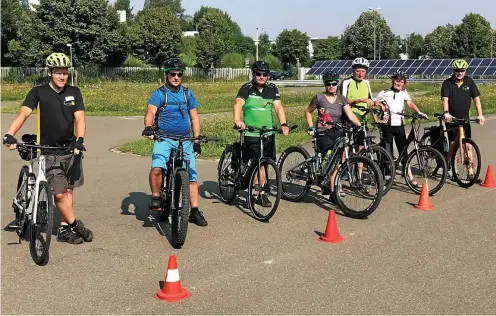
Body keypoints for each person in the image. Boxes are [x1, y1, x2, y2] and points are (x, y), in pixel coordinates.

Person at [2, 52, 93, 244]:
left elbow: (80, 118)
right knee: (59, 193)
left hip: (70, 150)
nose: (62, 77)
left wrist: (80, 139)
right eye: (57, 72)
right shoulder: (38, 92)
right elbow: (23, 114)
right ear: (49, 72)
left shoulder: (74, 92)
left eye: (65, 73)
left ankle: (64, 229)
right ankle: (76, 225)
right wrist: (10, 134)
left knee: (68, 191)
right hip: (48, 152)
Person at [142, 57, 207, 226]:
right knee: (157, 168)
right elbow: (150, 112)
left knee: (191, 175)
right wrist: (148, 127)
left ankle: (194, 210)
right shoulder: (159, 94)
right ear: (166, 75)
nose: (176, 77)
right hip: (164, 138)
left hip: (185, 139)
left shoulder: (187, 94)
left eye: (179, 74)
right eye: (173, 74)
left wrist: (197, 140)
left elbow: (194, 118)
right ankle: (156, 197)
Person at [233, 61, 289, 207]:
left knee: (264, 163)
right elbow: (238, 104)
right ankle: (256, 192)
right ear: (254, 74)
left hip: (267, 132)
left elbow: (278, 107)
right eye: (259, 74)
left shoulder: (272, 88)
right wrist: (238, 120)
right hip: (251, 132)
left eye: (265, 74)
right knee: (257, 164)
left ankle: (260, 193)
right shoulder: (247, 88)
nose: (262, 77)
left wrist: (283, 124)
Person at [306, 71, 361, 201]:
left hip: (338, 131)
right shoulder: (319, 98)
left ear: (337, 84)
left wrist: (359, 124)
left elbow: (350, 114)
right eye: (328, 84)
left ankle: (331, 187)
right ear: (325, 85)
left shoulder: (342, 99)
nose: (331, 86)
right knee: (331, 156)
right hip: (323, 132)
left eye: (334, 84)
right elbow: (308, 112)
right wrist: (310, 127)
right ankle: (329, 185)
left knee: (337, 160)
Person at [374, 71, 428, 187]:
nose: (399, 83)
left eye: (401, 81)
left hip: (399, 125)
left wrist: (419, 112)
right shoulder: (385, 93)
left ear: (404, 84)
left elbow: (409, 103)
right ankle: (386, 176)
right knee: (387, 153)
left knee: (404, 151)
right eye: (397, 80)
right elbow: (374, 102)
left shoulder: (404, 92)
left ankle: (410, 177)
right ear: (393, 81)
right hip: (387, 126)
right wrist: (381, 106)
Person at [441, 59, 485, 178]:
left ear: (465, 71)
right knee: (453, 144)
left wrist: (480, 115)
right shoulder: (447, 83)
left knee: (467, 145)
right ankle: (451, 167)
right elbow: (445, 99)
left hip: (464, 119)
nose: (459, 73)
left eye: (462, 70)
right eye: (457, 70)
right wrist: (446, 113)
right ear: (453, 71)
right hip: (452, 119)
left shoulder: (469, 82)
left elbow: (476, 99)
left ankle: (470, 171)